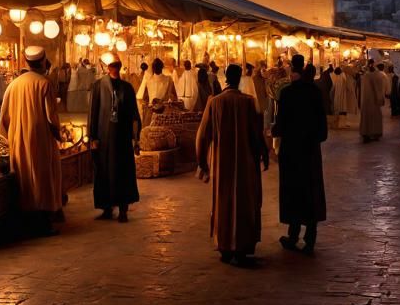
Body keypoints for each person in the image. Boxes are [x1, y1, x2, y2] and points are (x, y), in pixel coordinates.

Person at [196, 64, 269, 266]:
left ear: (226, 78)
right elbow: (257, 134)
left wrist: (202, 163)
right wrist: (263, 154)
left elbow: (202, 136)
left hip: (222, 164)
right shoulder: (248, 102)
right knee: (245, 202)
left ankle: (225, 245)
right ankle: (242, 246)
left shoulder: (215, 103)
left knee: (223, 202)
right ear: (239, 78)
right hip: (246, 164)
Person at [0, 46, 64, 236]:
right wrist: (58, 135)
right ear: (43, 61)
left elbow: (4, 116)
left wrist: (8, 138)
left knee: (24, 178)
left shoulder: (14, 85)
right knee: (42, 178)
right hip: (41, 139)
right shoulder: (45, 83)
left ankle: (26, 221)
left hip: (18, 139)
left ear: (26, 63)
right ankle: (43, 223)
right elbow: (51, 117)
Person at [272, 53, 327, 255]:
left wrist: (275, 132)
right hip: (310, 150)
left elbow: (281, 123)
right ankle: (310, 238)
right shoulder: (314, 92)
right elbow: (322, 125)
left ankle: (293, 235)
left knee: (293, 190)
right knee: (310, 190)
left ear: (292, 69)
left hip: (292, 150)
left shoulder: (287, 93)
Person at [88, 53, 141, 222]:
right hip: (103, 137)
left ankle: (123, 209)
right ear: (107, 67)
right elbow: (93, 113)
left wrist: (136, 138)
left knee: (123, 172)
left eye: (117, 65)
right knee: (104, 172)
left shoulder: (127, 88)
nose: (115, 69)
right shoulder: (98, 86)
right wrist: (92, 137)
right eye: (112, 66)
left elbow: (134, 114)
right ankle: (106, 208)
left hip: (122, 139)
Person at [136, 57, 179, 126]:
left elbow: (145, 98)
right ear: (162, 67)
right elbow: (174, 97)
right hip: (164, 115)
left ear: (153, 68)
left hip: (151, 113)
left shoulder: (148, 80)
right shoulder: (169, 79)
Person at [358, 61, 388, 143]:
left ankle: (366, 133)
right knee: (374, 118)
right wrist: (381, 99)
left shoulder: (365, 76)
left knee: (367, 118)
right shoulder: (377, 76)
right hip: (374, 101)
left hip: (366, 101)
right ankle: (374, 133)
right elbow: (379, 89)